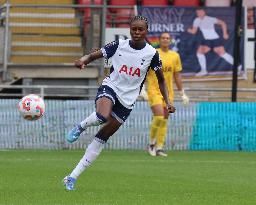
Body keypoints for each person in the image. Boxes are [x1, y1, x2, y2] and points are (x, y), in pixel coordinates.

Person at [63, 15, 176, 191]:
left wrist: (167, 101)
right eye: (134, 29)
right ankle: (81, 126)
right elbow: (94, 55)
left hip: (128, 101)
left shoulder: (152, 54)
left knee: (102, 137)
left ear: (146, 31)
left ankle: (72, 177)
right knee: (102, 115)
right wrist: (82, 61)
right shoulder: (119, 45)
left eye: (141, 29)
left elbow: (161, 80)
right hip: (111, 87)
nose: (137, 32)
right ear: (130, 30)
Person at [146, 32, 189, 157]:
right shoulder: (153, 54)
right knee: (159, 116)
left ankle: (159, 148)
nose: (165, 40)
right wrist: (142, 89)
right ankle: (151, 144)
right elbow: (144, 71)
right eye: (163, 38)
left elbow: (177, 75)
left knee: (164, 120)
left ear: (170, 41)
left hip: (168, 93)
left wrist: (182, 93)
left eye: (167, 38)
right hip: (154, 90)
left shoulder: (175, 56)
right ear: (159, 40)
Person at [187, 8, 234, 76]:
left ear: (204, 12)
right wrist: (189, 30)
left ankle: (237, 67)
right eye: (197, 13)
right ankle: (204, 70)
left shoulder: (210, 19)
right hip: (206, 40)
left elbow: (223, 23)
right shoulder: (196, 20)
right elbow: (194, 31)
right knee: (199, 52)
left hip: (215, 39)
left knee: (222, 54)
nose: (199, 14)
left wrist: (225, 33)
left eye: (200, 12)